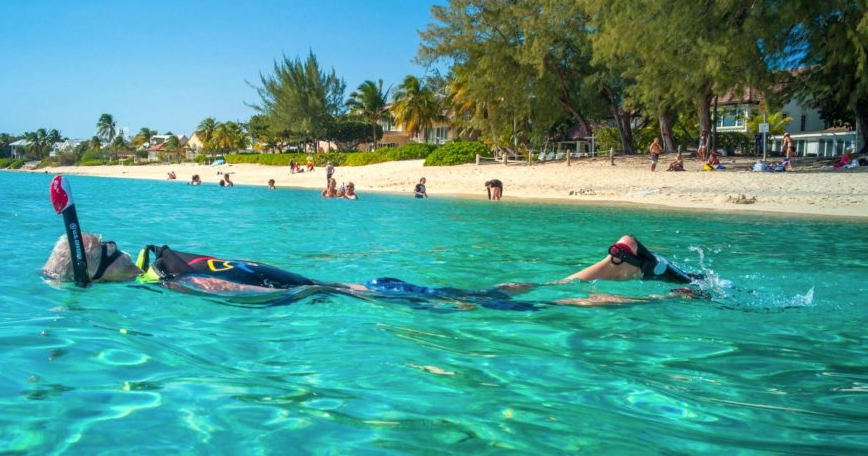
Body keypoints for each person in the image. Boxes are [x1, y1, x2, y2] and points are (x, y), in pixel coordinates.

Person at [42, 234, 703, 308]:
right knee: (491, 295)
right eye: (102, 242)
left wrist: (319, 294)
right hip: (340, 288)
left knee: (493, 304)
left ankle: (667, 295)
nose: (111, 238)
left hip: (352, 295)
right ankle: (620, 268)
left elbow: (246, 295)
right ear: (101, 266)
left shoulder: (168, 276)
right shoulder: (169, 270)